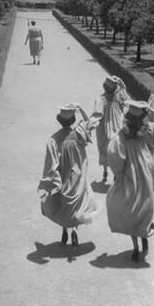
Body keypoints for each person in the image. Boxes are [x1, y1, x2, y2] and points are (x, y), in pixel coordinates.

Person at [106, 100, 154, 262]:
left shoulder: (122, 134)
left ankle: (135, 247)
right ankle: (145, 236)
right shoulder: (147, 129)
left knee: (131, 206)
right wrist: (151, 110)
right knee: (145, 203)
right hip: (146, 167)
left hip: (130, 171)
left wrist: (118, 173)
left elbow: (115, 154)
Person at [38, 104, 100, 246]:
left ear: (59, 120)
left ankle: (65, 230)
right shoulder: (79, 132)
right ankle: (75, 231)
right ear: (73, 120)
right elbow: (91, 122)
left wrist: (52, 182)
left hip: (62, 175)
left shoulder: (53, 139)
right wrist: (81, 108)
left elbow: (51, 164)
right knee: (77, 202)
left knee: (63, 203)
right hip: (77, 174)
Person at [91, 75, 129, 183]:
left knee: (107, 149)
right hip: (112, 128)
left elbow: (96, 115)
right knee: (112, 149)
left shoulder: (104, 98)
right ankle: (111, 171)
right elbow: (124, 89)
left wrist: (91, 124)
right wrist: (120, 81)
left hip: (110, 128)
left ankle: (107, 171)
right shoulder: (113, 97)